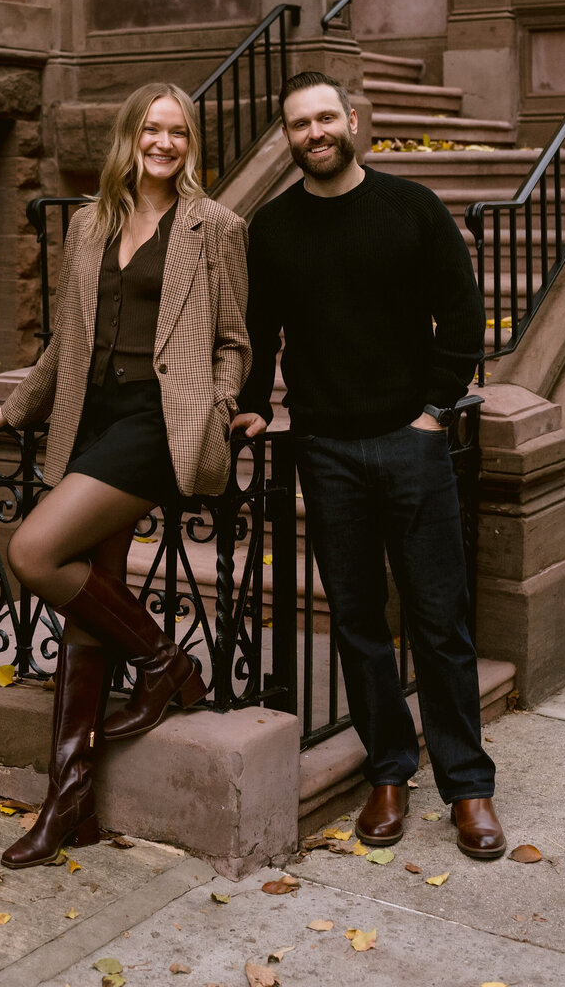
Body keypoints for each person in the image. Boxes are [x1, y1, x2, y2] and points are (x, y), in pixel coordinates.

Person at [0, 81, 250, 869]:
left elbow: (235, 338)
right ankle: (70, 807)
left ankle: (165, 663)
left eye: (179, 133)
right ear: (129, 137)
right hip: (92, 420)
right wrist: (18, 411)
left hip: (156, 427)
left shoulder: (215, 226)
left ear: (190, 145)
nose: (165, 144)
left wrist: (218, 405)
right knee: (88, 612)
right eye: (153, 130)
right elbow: (67, 339)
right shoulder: (91, 223)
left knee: (33, 553)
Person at [234, 70, 504, 860]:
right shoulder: (273, 228)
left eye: (325, 118)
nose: (314, 133)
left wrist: (431, 410)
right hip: (325, 448)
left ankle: (468, 785)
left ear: (352, 122)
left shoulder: (411, 208)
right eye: (298, 123)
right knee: (357, 622)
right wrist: (253, 401)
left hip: (410, 442)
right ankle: (388, 768)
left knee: (438, 620)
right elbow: (261, 327)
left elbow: (460, 314)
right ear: (287, 137)